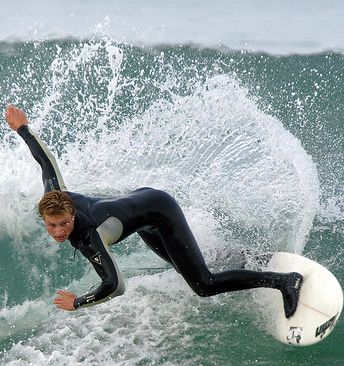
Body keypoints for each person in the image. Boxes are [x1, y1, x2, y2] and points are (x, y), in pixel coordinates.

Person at [4, 105, 303, 317]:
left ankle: (283, 280)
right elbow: (45, 161)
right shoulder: (55, 196)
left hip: (160, 212)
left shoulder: (90, 234)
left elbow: (115, 285)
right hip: (141, 215)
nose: (59, 231)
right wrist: (22, 128)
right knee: (183, 265)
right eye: (52, 226)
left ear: (72, 214)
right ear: (45, 215)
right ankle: (243, 257)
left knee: (204, 284)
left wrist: (79, 303)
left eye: (65, 224)